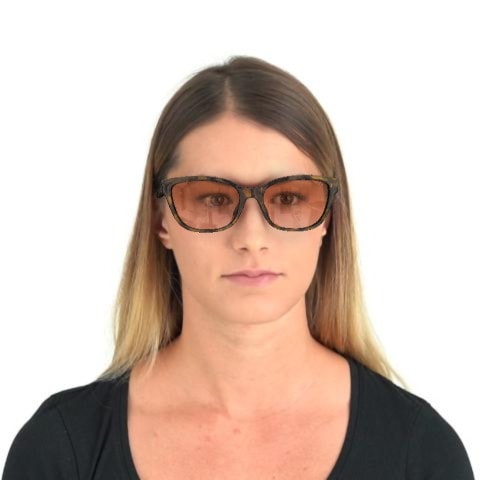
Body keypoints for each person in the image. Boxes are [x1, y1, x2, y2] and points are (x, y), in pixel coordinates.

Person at [2, 56, 474, 480]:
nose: (251, 237)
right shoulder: (61, 449)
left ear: (328, 218)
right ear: (161, 220)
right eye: (212, 198)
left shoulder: (420, 452)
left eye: (289, 197)